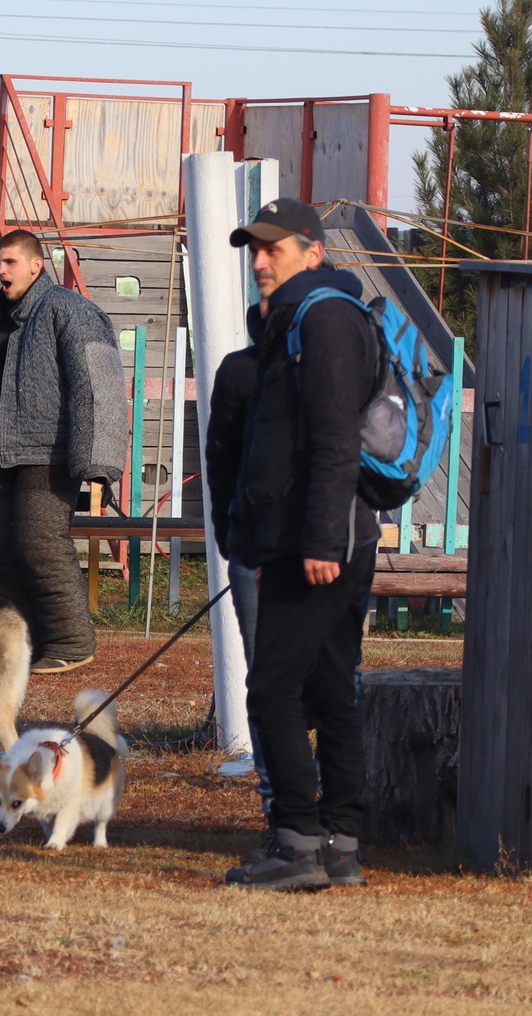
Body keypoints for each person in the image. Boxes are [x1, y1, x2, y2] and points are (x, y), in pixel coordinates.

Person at [211, 198, 379, 891]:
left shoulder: (326, 319)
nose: (258, 263)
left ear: (312, 252)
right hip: (318, 537)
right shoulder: (300, 323)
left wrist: (318, 540)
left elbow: (336, 440)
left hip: (316, 543)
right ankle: (339, 843)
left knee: (273, 688)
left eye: (271, 249)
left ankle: (299, 842)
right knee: (330, 686)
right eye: (253, 250)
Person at [0, 230, 128, 673]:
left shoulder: (70, 311)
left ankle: (70, 641)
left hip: (49, 452)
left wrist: (98, 459)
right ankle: (15, 646)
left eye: (9, 262)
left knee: (38, 544)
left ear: (35, 265)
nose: (0, 270)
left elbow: (97, 385)